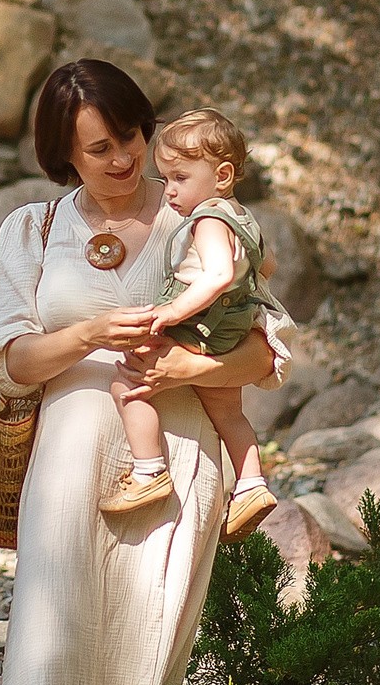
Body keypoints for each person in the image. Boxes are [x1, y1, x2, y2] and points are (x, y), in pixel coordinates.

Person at [0, 61, 283, 685]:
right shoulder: (32, 230)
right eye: (97, 149)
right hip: (68, 465)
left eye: (132, 139)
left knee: (147, 652)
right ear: (61, 157)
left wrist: (185, 364)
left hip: (179, 460)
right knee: (45, 645)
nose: (121, 161)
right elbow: (5, 360)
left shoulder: (201, 217)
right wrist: (82, 334)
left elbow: (265, 353)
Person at [103, 108, 280, 539]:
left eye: (179, 178)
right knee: (228, 412)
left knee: (126, 382)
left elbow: (218, 275)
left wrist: (172, 312)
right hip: (231, 327)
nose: (168, 191)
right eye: (165, 180)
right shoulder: (244, 218)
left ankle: (148, 471)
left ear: (221, 175)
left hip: (199, 325)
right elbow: (267, 266)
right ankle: (252, 484)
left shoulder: (207, 220)